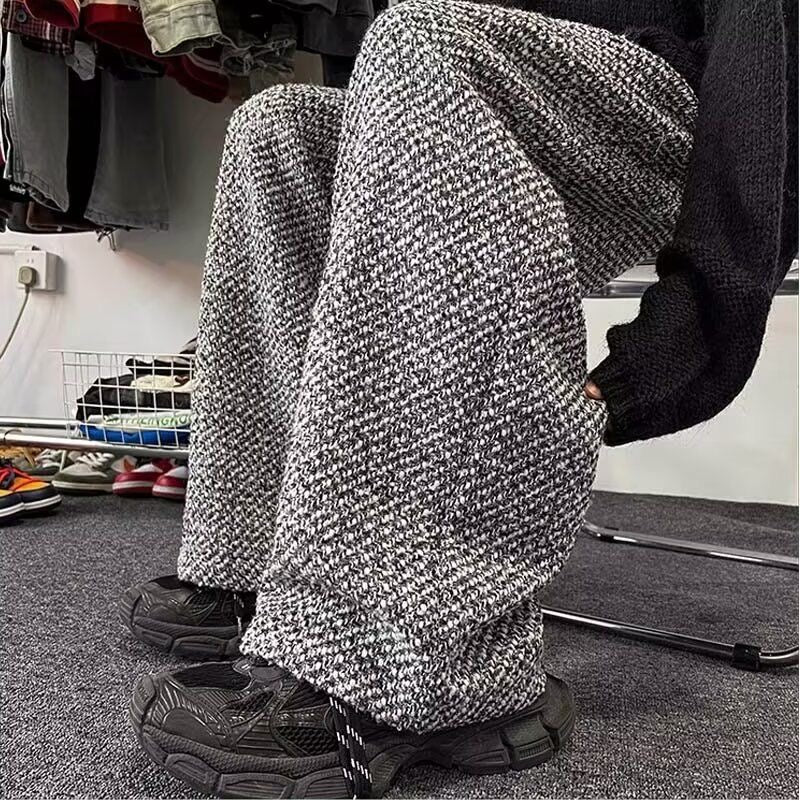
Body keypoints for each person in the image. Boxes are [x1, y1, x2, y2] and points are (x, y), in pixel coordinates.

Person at [121, 0, 796, 797]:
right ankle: (266, 569)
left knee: (423, 44)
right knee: (279, 128)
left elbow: (771, 49)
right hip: (505, 79)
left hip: (680, 107)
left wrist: (683, 335)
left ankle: (423, 662)